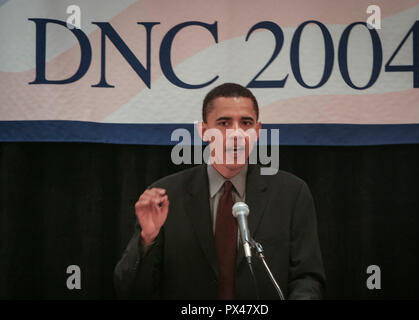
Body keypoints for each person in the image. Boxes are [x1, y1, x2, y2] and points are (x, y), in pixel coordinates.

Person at [114, 83, 325, 299]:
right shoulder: (166, 197)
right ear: (204, 131)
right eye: (224, 123)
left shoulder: (291, 193)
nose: (236, 133)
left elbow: (306, 277)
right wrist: (147, 239)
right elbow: (130, 291)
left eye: (246, 123)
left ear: (258, 131)